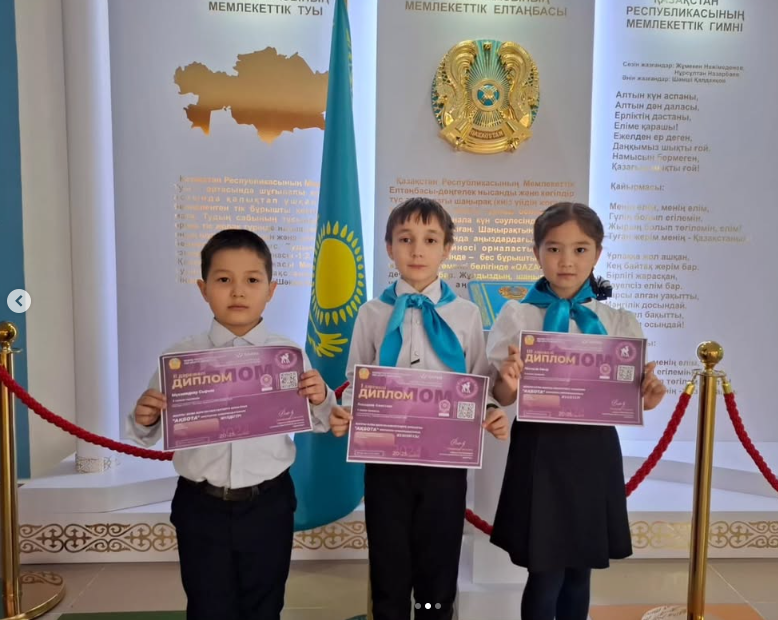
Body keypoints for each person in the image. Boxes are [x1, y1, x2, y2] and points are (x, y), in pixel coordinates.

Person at [126, 228, 336, 620]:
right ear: (203, 289)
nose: (238, 292)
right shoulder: (180, 358)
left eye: (252, 280)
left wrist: (321, 396)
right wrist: (144, 418)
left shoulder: (288, 354)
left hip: (269, 503)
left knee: (265, 606)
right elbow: (150, 430)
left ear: (270, 290)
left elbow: (321, 422)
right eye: (224, 280)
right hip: (200, 506)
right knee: (207, 607)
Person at [329, 197, 509, 620]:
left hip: (445, 466)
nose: (417, 250)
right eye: (405, 239)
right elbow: (357, 378)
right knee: (389, 569)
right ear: (389, 247)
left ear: (447, 249)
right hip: (385, 465)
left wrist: (490, 410)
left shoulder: (465, 314)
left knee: (437, 572)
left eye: (430, 240)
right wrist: (346, 412)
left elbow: (478, 381)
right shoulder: (372, 313)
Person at [486, 202, 667, 620]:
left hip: (593, 452)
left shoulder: (616, 321)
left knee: (580, 571)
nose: (566, 261)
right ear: (536, 253)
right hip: (539, 452)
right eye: (554, 248)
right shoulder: (518, 315)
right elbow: (503, 395)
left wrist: (649, 396)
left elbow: (631, 396)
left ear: (597, 253)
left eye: (580, 249)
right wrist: (508, 382)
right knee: (544, 571)